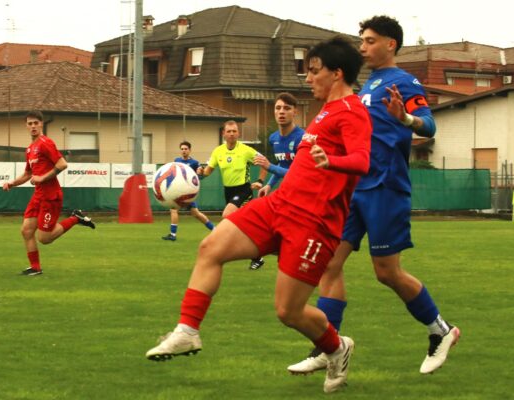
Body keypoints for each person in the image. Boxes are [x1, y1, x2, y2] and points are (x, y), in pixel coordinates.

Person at [146, 35, 372, 394]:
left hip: (314, 223)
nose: (308, 78)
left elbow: (362, 160)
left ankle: (337, 346)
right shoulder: (325, 110)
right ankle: (187, 331)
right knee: (210, 248)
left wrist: (332, 161)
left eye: (314, 71)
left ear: (337, 73)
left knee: (288, 311)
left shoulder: (353, 111)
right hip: (279, 206)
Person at [287, 15, 460, 377]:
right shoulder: (367, 84)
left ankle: (440, 331)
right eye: (362, 41)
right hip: (353, 189)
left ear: (390, 44)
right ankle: (327, 347)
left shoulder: (403, 82)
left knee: (387, 272)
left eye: (369, 40)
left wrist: (406, 119)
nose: (362, 47)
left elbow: (428, 125)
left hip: (385, 186)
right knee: (330, 265)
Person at [2, 110, 95, 276]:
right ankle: (35, 268)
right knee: (26, 231)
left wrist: (42, 178)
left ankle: (75, 218)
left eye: (35, 123)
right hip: (38, 196)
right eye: (29, 123)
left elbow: (62, 164)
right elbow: (28, 174)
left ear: (41, 124)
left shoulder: (46, 143)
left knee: (45, 239)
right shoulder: (30, 149)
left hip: (51, 196)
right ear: (26, 126)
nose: (32, 126)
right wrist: (12, 183)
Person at [196, 120, 268, 270]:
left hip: (243, 190)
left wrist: (260, 181)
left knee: (227, 215)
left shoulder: (246, 150)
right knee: (245, 226)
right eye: (228, 131)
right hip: (228, 191)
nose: (231, 134)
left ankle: (225, 249)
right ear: (223, 134)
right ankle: (258, 255)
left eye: (234, 131)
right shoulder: (218, 151)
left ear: (238, 133)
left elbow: (264, 162)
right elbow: (208, 170)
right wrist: (201, 172)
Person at [254, 92, 304, 198]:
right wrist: (269, 185)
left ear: (295, 112)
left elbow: (299, 174)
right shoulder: (273, 138)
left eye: (287, 108)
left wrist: (269, 166)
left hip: (306, 192)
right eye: (278, 108)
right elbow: (283, 164)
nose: (281, 112)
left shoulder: (302, 138)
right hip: (289, 190)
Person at [161, 141, 215, 241]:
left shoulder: (194, 163)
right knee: (174, 209)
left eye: (185, 149)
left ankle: (215, 230)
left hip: (188, 193)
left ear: (190, 150)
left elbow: (199, 174)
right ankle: (172, 234)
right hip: (178, 191)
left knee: (196, 214)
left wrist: (200, 171)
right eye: (182, 149)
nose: (183, 151)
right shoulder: (176, 161)